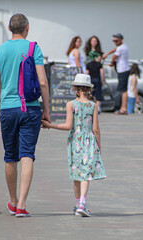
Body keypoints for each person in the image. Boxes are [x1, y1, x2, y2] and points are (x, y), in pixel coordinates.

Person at [0, 13, 51, 217]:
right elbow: (42, 82)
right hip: (30, 108)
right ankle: (22, 205)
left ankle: (13, 201)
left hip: (7, 109)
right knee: (27, 155)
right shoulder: (34, 48)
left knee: (10, 156)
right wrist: (47, 110)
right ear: (27, 28)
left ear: (9, 28)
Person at [41, 74, 106, 217]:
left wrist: (50, 125)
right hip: (89, 141)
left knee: (77, 173)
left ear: (75, 88)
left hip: (75, 141)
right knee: (85, 174)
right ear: (89, 89)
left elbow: (68, 126)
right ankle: (82, 203)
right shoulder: (93, 105)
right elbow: (96, 129)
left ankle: (79, 204)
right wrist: (98, 146)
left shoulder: (71, 104)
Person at [107, 33, 130, 115]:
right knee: (123, 89)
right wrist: (107, 53)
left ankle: (123, 109)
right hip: (124, 70)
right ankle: (123, 108)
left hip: (122, 70)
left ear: (121, 40)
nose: (115, 42)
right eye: (114, 41)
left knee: (123, 90)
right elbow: (115, 50)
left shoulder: (120, 48)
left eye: (116, 40)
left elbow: (114, 57)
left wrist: (112, 63)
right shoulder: (124, 46)